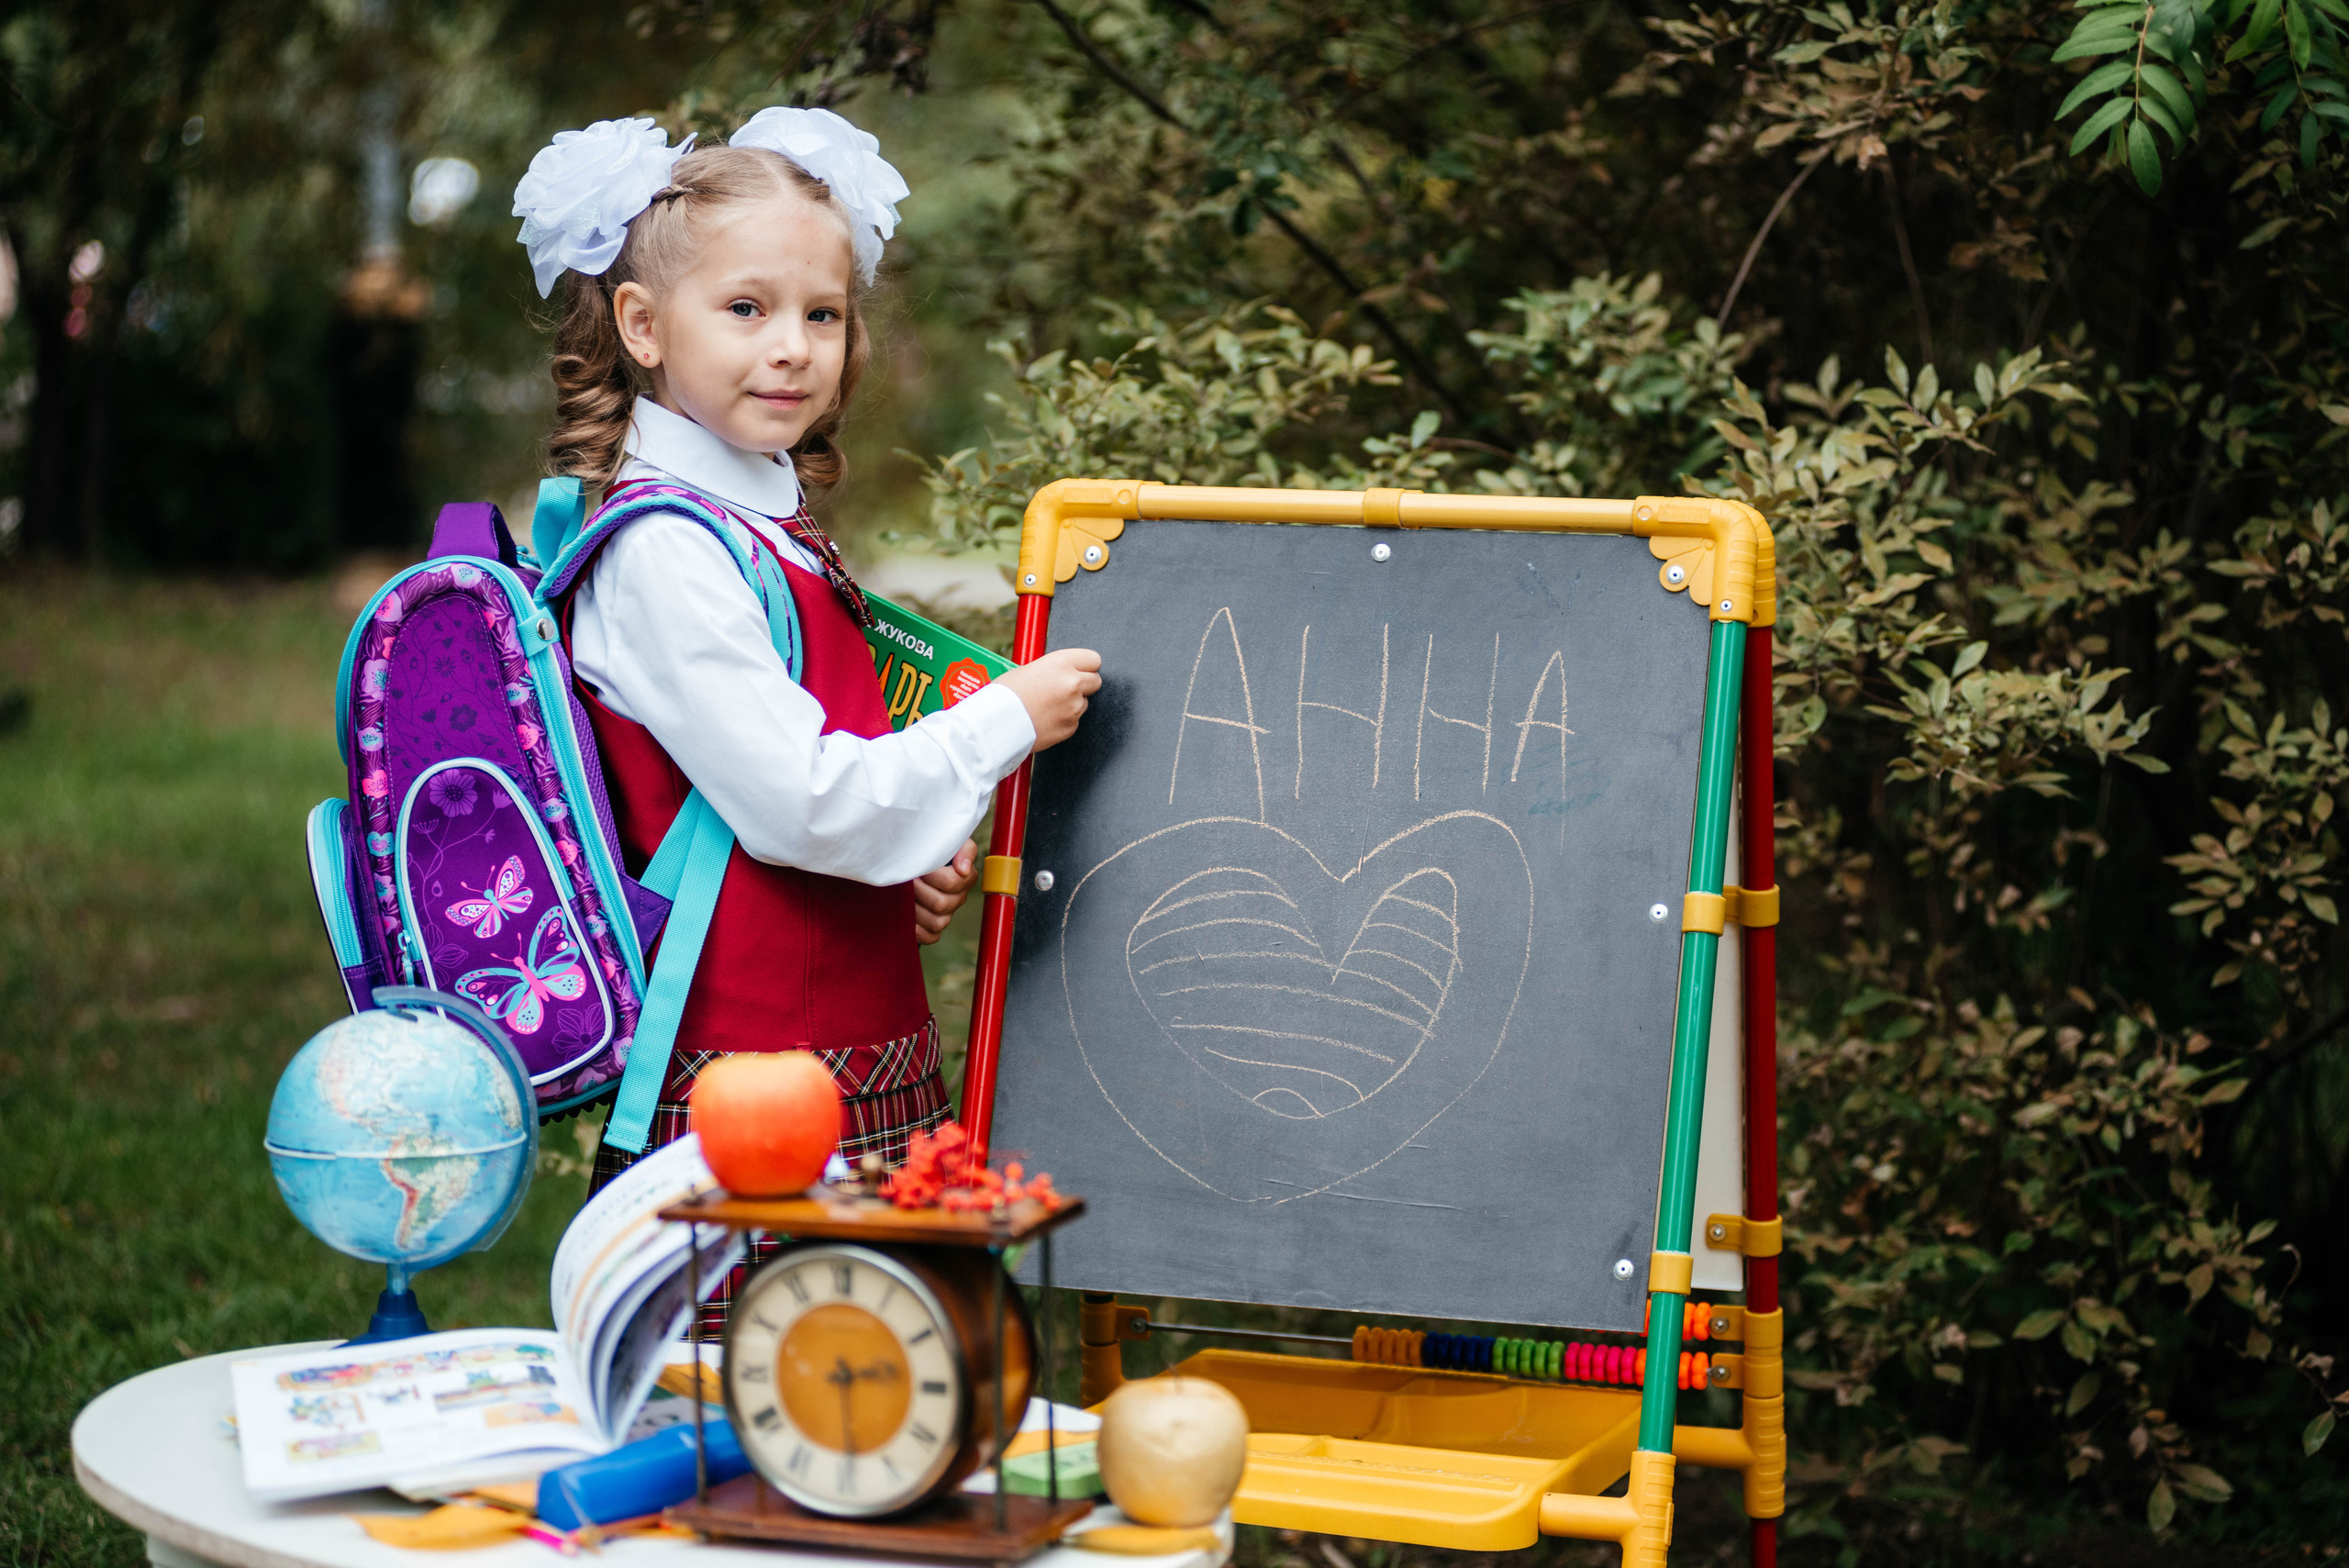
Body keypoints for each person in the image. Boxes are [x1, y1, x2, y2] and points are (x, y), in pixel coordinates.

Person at [512, 110, 1099, 1327]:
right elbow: (803, 802)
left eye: (821, 315)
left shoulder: (756, 524)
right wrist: (1001, 721)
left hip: (855, 1051)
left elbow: (802, 781)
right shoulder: (668, 549)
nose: (792, 348)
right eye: (747, 309)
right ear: (641, 325)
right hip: (747, 1078)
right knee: (754, 1405)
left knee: (879, 1400)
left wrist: (903, 862)